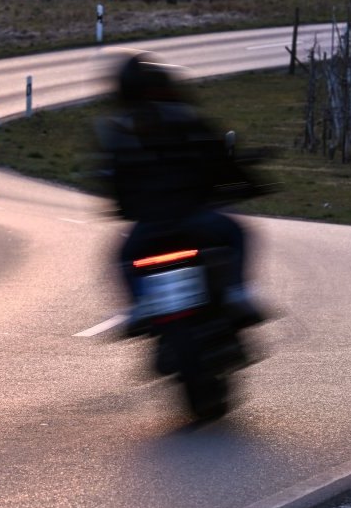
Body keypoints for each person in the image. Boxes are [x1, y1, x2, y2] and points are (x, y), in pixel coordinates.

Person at [95, 52, 268, 334]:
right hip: (194, 215)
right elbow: (220, 161)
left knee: (124, 257)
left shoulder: (116, 130)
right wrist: (250, 184)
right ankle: (237, 292)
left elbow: (111, 181)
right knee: (238, 234)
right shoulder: (186, 118)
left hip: (150, 225)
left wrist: (124, 207)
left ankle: (139, 304)